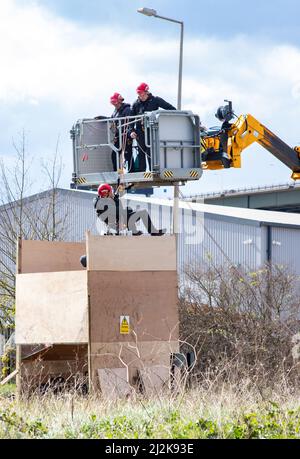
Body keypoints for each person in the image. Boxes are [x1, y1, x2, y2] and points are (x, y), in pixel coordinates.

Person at [130, 83, 176, 172]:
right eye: (138, 94)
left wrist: (175, 118)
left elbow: (170, 108)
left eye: (142, 93)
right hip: (140, 132)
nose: (140, 96)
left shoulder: (156, 100)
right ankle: (141, 171)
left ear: (147, 92)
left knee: (151, 151)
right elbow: (130, 120)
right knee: (141, 152)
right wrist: (131, 131)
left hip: (152, 131)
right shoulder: (136, 104)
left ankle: (153, 170)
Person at [94, 183, 166, 236]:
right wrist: (116, 200)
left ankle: (139, 232)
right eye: (110, 192)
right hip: (116, 224)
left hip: (120, 221)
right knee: (139, 212)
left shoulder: (106, 201)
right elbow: (119, 211)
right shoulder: (102, 203)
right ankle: (144, 232)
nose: (112, 193)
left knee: (137, 212)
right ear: (105, 193)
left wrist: (116, 198)